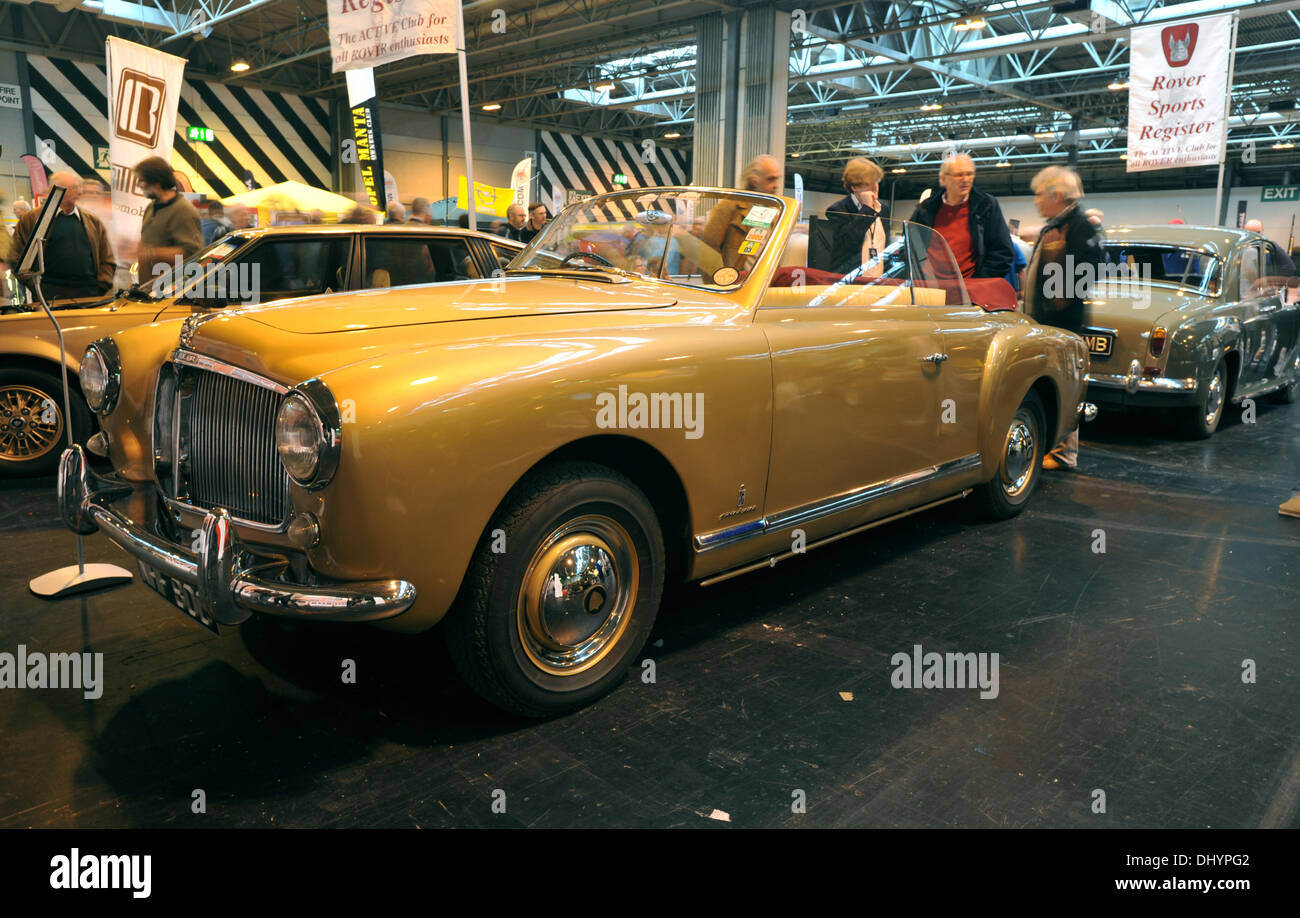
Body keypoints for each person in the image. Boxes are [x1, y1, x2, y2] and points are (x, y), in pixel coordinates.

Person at [1022, 165, 1104, 471]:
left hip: (1062, 324)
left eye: (1040, 194)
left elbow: (1091, 270)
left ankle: (1064, 453)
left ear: (1056, 194)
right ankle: (1054, 448)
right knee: (1053, 382)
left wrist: (1060, 297)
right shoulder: (1057, 225)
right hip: (1047, 322)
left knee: (1064, 384)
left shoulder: (1079, 226)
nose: (1036, 201)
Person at [909, 153, 1014, 280]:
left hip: (969, 292)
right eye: (959, 175)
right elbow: (910, 246)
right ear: (943, 179)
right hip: (929, 290)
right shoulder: (926, 209)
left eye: (970, 174)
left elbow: (1002, 252)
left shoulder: (986, 206)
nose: (965, 179)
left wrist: (978, 284)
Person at [12, 170, 116, 298]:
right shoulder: (31, 219)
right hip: (49, 295)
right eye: (73, 188)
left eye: (79, 187)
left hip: (89, 294)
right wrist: (36, 287)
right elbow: (15, 256)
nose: (79, 192)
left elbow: (107, 257)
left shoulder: (92, 221)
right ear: (54, 190)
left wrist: (101, 286)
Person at [700, 154, 783, 271]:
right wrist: (717, 285)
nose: (776, 185)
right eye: (770, 179)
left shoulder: (771, 210)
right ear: (754, 181)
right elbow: (707, 250)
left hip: (762, 283)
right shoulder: (729, 206)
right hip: (734, 283)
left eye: (777, 179)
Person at [134, 156, 203, 279]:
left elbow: (192, 254)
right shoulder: (152, 207)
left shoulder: (182, 210)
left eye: (141, 180)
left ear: (156, 181)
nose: (138, 185)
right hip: (149, 290)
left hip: (171, 291)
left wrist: (150, 253)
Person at [825, 157, 887, 275]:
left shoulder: (883, 209)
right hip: (848, 281)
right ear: (855, 187)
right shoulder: (838, 210)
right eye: (869, 183)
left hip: (878, 280)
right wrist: (867, 209)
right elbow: (848, 243)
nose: (875, 187)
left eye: (876, 182)